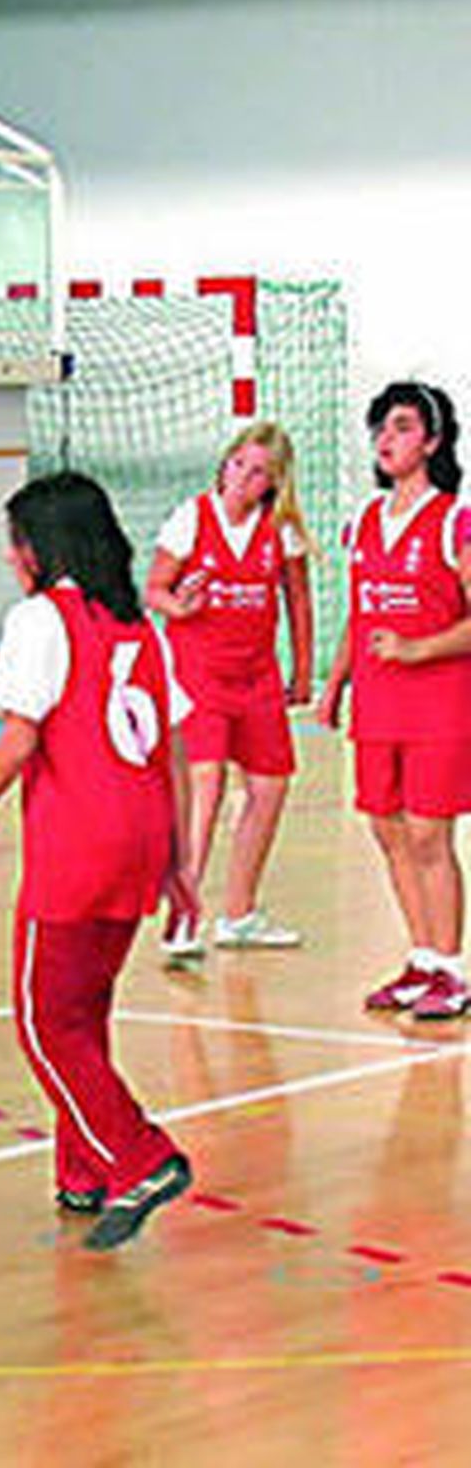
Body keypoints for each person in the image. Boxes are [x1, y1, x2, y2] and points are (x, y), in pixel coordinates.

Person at [0, 471, 198, 1252]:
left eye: (15, 540)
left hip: (78, 843)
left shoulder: (39, 620)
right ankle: (82, 1170)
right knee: (83, 1012)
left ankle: (140, 1156)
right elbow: (175, 752)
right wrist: (179, 859)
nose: (7, 556)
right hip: (141, 836)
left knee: (42, 1023)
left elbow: (21, 737)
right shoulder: (139, 630)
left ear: (40, 547)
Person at [316, 382, 471, 1020]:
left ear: (432, 441)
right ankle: (423, 959)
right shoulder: (363, 521)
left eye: (402, 426)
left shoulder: (455, 520)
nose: (385, 438)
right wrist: (333, 686)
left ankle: (454, 971)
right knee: (387, 830)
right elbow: (359, 619)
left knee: (430, 834)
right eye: (380, 426)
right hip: (377, 707)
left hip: (440, 703)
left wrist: (419, 649)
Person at [145, 422, 315, 964]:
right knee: (207, 782)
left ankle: (239, 913)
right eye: (238, 463)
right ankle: (183, 917)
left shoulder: (279, 531)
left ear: (274, 482)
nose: (244, 477)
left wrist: (304, 669)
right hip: (199, 672)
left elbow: (299, 603)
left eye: (258, 470)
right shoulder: (190, 518)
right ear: (224, 464)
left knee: (270, 789)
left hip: (258, 675)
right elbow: (154, 590)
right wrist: (180, 607)